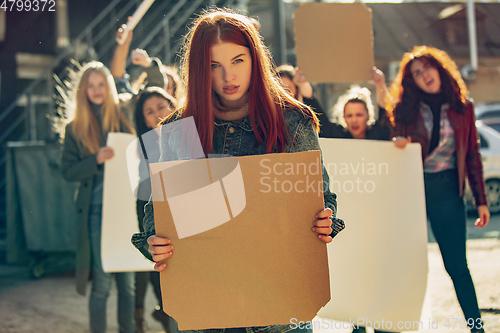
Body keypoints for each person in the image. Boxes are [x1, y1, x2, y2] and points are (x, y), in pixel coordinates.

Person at [131, 8, 341, 333]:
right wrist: (153, 242)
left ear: (255, 59)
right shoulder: (177, 131)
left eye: (238, 61)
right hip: (210, 310)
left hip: (281, 314)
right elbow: (157, 214)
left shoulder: (292, 121)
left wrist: (324, 220)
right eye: (215, 66)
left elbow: (321, 197)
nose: (228, 76)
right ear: (201, 69)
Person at [388, 46, 489, 333]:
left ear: (440, 69)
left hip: (447, 191)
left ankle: (476, 326)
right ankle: (397, 326)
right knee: (406, 266)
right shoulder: (406, 109)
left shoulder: (463, 107)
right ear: (413, 81)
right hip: (412, 193)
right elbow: (391, 140)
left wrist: (481, 200)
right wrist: (398, 142)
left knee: (457, 266)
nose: (424, 76)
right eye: (417, 74)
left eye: (427, 68)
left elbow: (471, 154)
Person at [60, 61, 136, 333]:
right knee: (102, 283)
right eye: (90, 85)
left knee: (127, 286)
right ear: (84, 90)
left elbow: (153, 89)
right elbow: (67, 171)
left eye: (101, 84)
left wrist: (146, 64)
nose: (96, 90)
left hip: (126, 210)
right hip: (95, 213)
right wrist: (95, 160)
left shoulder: (123, 112)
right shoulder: (74, 127)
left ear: (109, 86)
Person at [133, 87, 178, 333]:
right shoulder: (144, 149)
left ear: (172, 104)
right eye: (149, 112)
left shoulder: (192, 133)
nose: (157, 114)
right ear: (144, 120)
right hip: (156, 214)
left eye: (161, 106)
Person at [276, 64, 342, 138]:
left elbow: (325, 131)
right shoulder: (269, 112)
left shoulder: (301, 113)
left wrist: (307, 93)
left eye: (288, 88)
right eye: (280, 89)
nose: (284, 93)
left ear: (296, 90)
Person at [328, 68, 391, 140]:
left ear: (368, 116)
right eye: (349, 116)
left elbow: (385, 111)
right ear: (344, 118)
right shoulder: (337, 136)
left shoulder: (378, 134)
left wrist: (380, 84)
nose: (354, 120)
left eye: (359, 115)